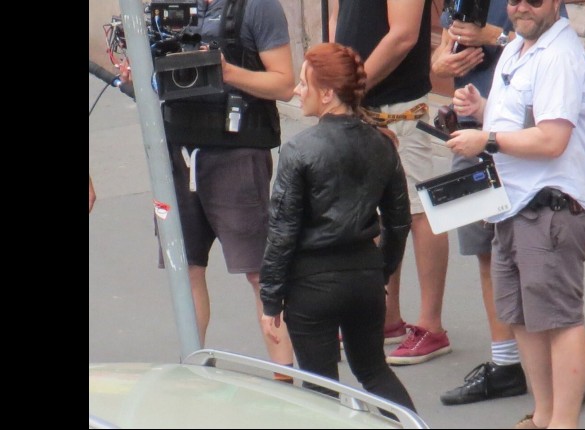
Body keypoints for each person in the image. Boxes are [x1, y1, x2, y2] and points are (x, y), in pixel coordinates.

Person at [446, 0, 585, 427]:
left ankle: (563, 422)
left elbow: (552, 140)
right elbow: (519, 118)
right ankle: (543, 416)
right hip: (514, 204)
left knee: (559, 319)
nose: (521, 7)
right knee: (522, 318)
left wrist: (486, 139)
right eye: (514, 0)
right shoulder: (518, 48)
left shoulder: (559, 55)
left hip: (550, 204)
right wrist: (481, 109)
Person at [119, 0, 295, 376]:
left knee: (259, 272)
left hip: (238, 150)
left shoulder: (257, 7)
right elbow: (155, 86)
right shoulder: (168, 10)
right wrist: (139, 77)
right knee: (186, 268)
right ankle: (193, 371)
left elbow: (284, 84)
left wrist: (227, 72)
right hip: (177, 152)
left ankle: (285, 376)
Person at [259, 42, 415, 411]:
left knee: (320, 389)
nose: (297, 90)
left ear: (327, 93)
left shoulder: (299, 149)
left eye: (304, 84)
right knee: (374, 371)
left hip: (311, 285)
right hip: (364, 278)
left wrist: (270, 300)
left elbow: (282, 231)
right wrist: (381, 270)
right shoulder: (382, 143)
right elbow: (399, 220)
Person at [329, 0, 452, 366]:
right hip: (364, 103)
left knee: (420, 211)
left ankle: (431, 326)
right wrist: (336, 77)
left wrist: (350, 86)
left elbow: (403, 35)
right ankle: (386, 317)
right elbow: (338, 17)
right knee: (377, 212)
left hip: (400, 106)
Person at [431, 0, 527, 406]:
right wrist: (444, 63)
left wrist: (494, 36)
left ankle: (553, 361)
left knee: (533, 250)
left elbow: (552, 51)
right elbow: (440, 57)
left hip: (522, 137)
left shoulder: (531, 7)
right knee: (485, 252)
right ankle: (505, 363)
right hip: (468, 137)